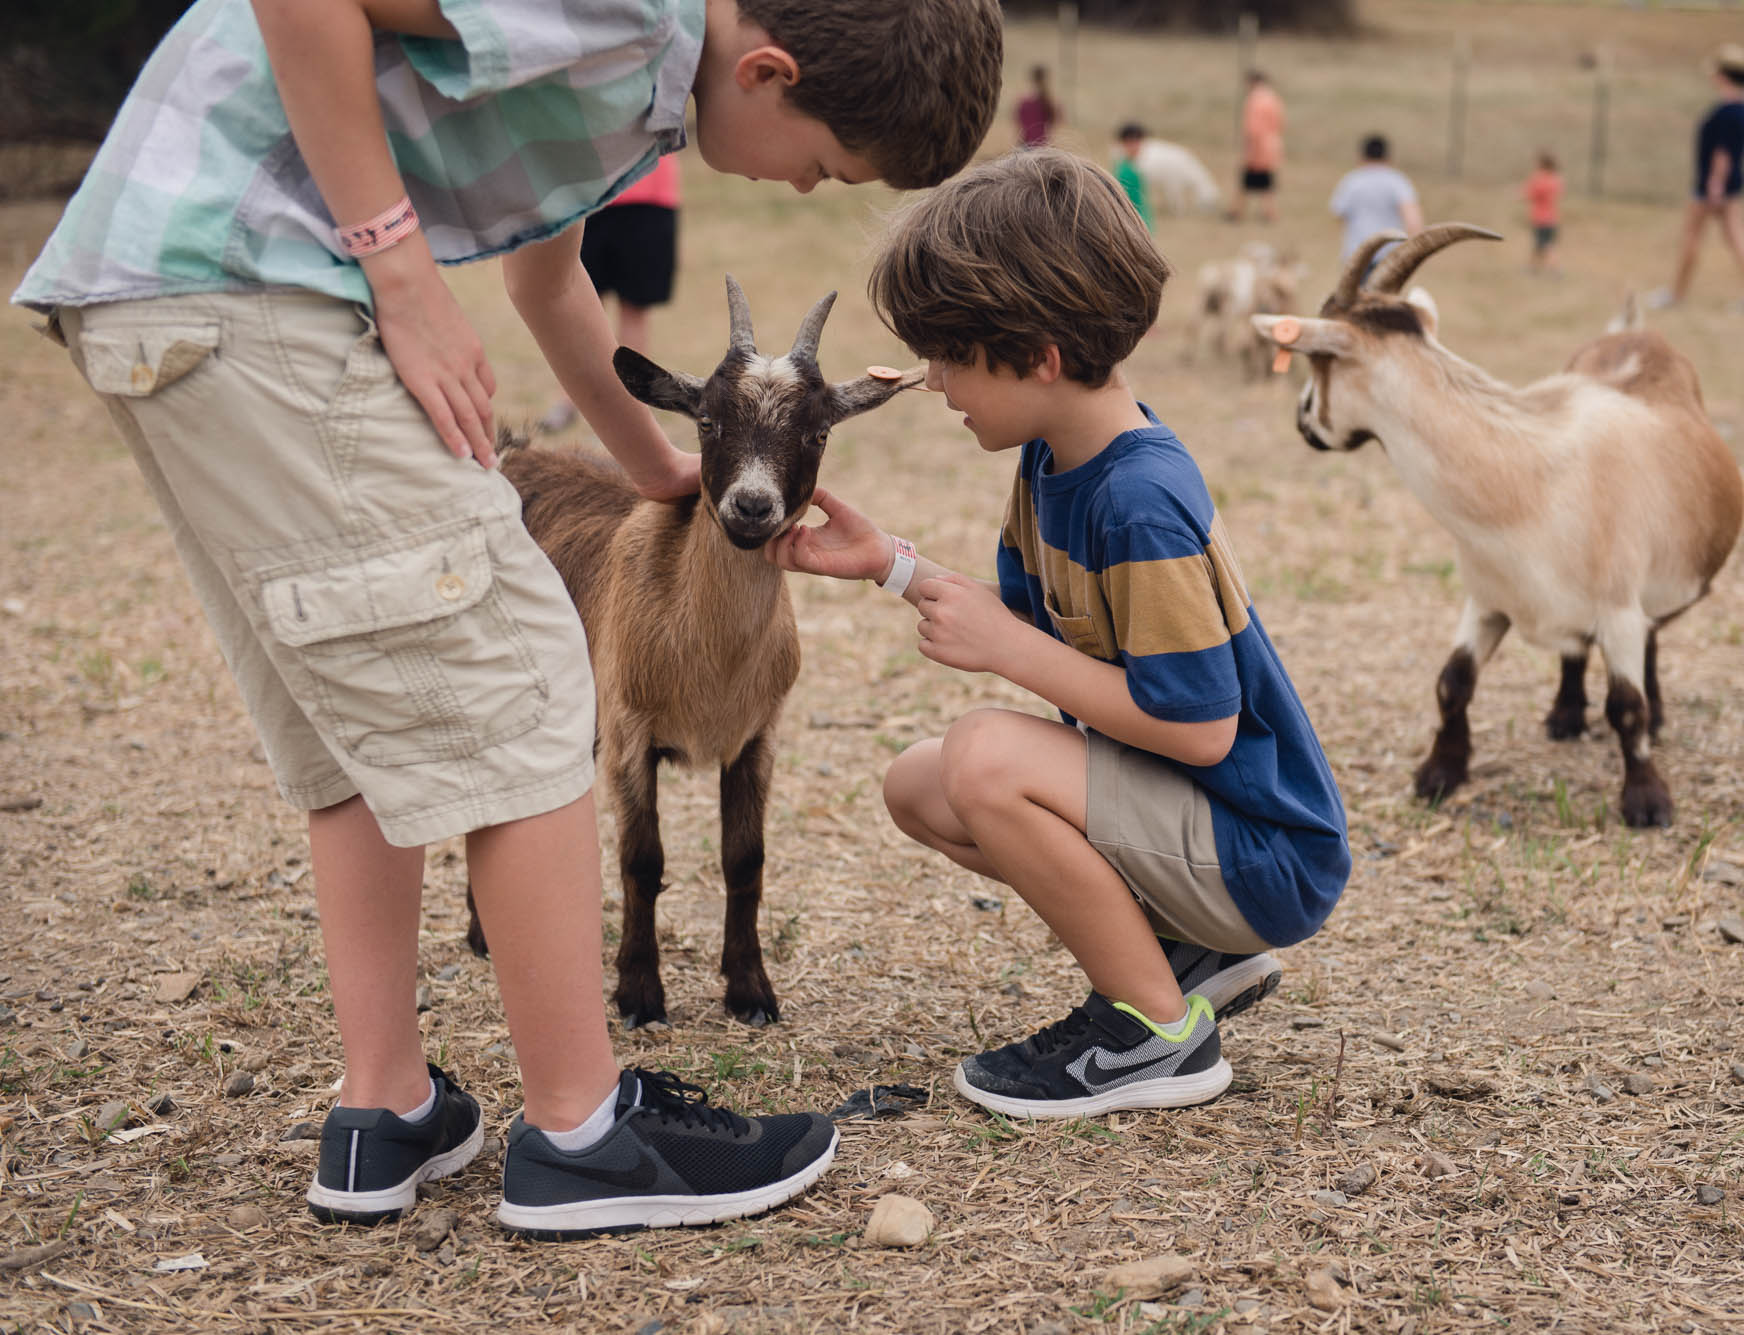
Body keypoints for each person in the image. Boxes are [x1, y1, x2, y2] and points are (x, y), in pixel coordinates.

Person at [11, 0, 1002, 1237]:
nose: (805, 189)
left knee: (358, 717)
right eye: (823, 165)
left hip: (174, 286)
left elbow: (549, 279)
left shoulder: (643, 105)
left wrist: (659, 471)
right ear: (766, 70)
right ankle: (585, 1135)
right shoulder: (630, 10)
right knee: (536, 670)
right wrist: (401, 267)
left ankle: (385, 1109)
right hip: (254, 277)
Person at [768, 149, 1352, 1119]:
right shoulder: (1051, 458)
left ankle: (1155, 1029)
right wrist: (891, 566)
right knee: (921, 786)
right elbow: (1037, 636)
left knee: (985, 759)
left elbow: (1202, 730)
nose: (933, 380)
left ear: (1040, 356)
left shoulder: (1139, 500)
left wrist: (1007, 649)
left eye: (951, 357)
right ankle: (1186, 954)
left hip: (1264, 850)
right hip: (1195, 818)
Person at [540, 154, 683, 433]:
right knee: (575, 305)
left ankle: (635, 405)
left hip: (648, 195)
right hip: (585, 195)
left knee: (635, 310)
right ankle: (568, 401)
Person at [1646, 44, 1744, 315]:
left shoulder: (1727, 111)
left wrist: (1714, 185)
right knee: (1736, 238)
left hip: (1713, 186)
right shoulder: (1742, 108)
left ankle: (1676, 293)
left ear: (1724, 75)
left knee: (1691, 237)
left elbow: (1722, 154)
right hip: (1732, 185)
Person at [1328, 135, 1423, 262]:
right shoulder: (1398, 182)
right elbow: (1413, 221)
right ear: (1388, 157)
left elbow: (1338, 213)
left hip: (1356, 256)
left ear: (1361, 156)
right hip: (1389, 257)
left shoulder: (1352, 181)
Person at [1225, 71, 1284, 225]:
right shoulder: (1272, 97)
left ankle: (1237, 211)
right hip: (1271, 144)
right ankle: (1267, 212)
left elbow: (1253, 128)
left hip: (1258, 146)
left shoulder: (1254, 100)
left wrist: (1250, 150)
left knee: (1247, 180)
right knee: (1266, 182)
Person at [1522, 150, 1564, 275]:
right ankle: (1532, 268)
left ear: (1542, 164)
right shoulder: (1556, 179)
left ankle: (1555, 269)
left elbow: (1529, 194)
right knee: (1538, 246)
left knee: (1546, 247)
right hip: (1552, 219)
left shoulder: (1539, 179)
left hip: (1541, 219)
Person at [1114, 123, 1154, 231]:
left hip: (1141, 219)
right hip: (1133, 222)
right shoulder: (1123, 170)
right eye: (1131, 143)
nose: (1136, 146)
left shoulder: (1133, 166)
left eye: (1138, 142)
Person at [1016, 63, 1060, 148]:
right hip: (1044, 147)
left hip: (1026, 146)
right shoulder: (1049, 102)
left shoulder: (1024, 102)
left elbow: (1019, 127)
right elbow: (1054, 124)